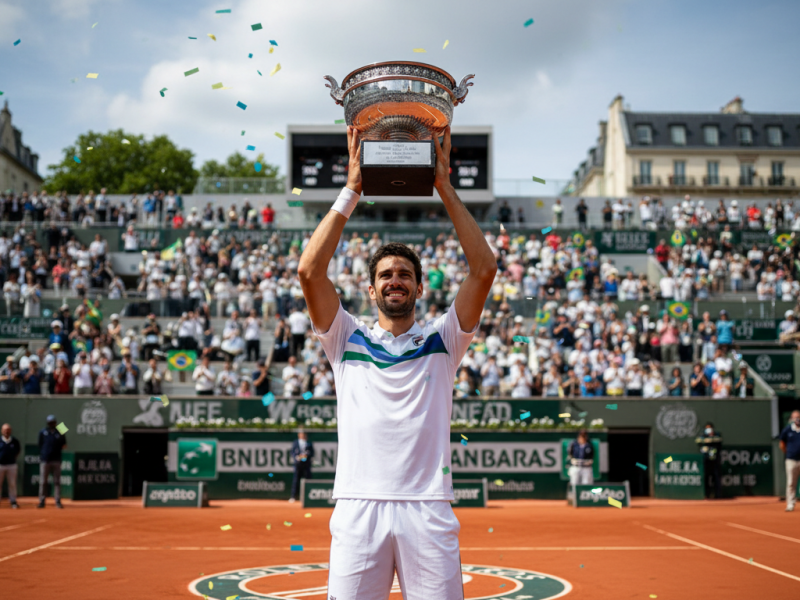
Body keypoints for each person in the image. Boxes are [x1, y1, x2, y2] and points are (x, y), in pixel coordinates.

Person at [297, 126, 496, 599]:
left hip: (427, 508)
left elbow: (484, 269)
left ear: (419, 288)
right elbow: (309, 271)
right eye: (386, 274)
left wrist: (444, 186)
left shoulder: (444, 339)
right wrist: (352, 189)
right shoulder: (345, 337)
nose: (395, 280)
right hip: (358, 506)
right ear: (371, 290)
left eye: (405, 274)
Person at [38, 415, 66, 508]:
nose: (51, 424)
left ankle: (58, 501)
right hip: (45, 460)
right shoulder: (43, 432)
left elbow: (64, 444)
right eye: (50, 422)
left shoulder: (61, 430)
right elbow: (40, 444)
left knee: (57, 482)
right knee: (43, 481)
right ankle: (42, 501)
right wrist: (44, 454)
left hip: (56, 460)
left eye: (53, 422)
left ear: (55, 423)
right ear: (47, 423)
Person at [779, 410, 800, 512]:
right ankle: (790, 504)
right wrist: (789, 453)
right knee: (791, 482)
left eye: (799, 417)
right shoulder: (787, 430)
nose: (797, 419)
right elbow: (782, 444)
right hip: (791, 459)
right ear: (792, 419)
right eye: (795, 417)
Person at [695, 421, 722, 499]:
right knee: (706, 478)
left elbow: (718, 440)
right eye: (707, 428)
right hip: (706, 461)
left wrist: (710, 439)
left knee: (716, 478)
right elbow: (698, 441)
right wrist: (705, 441)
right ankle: (707, 494)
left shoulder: (717, 435)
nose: (708, 430)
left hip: (715, 462)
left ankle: (717, 495)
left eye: (710, 428)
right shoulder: (702, 436)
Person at [289, 429, 315, 502]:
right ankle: (293, 496)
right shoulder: (295, 443)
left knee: (308, 479)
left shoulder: (309, 443)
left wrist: (306, 456)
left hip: (306, 465)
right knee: (296, 480)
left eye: (304, 434)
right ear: (299, 435)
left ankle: (308, 497)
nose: (302, 435)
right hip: (298, 465)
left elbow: (312, 453)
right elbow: (292, 452)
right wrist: (297, 457)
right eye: (301, 434)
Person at [0, 423, 21, 508]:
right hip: (0, 465)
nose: (6, 431)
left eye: (8, 430)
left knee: (12, 484)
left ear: (11, 431)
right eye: (5, 430)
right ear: (2, 431)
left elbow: (18, 451)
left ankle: (13, 501)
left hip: (11, 465)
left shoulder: (15, 441)